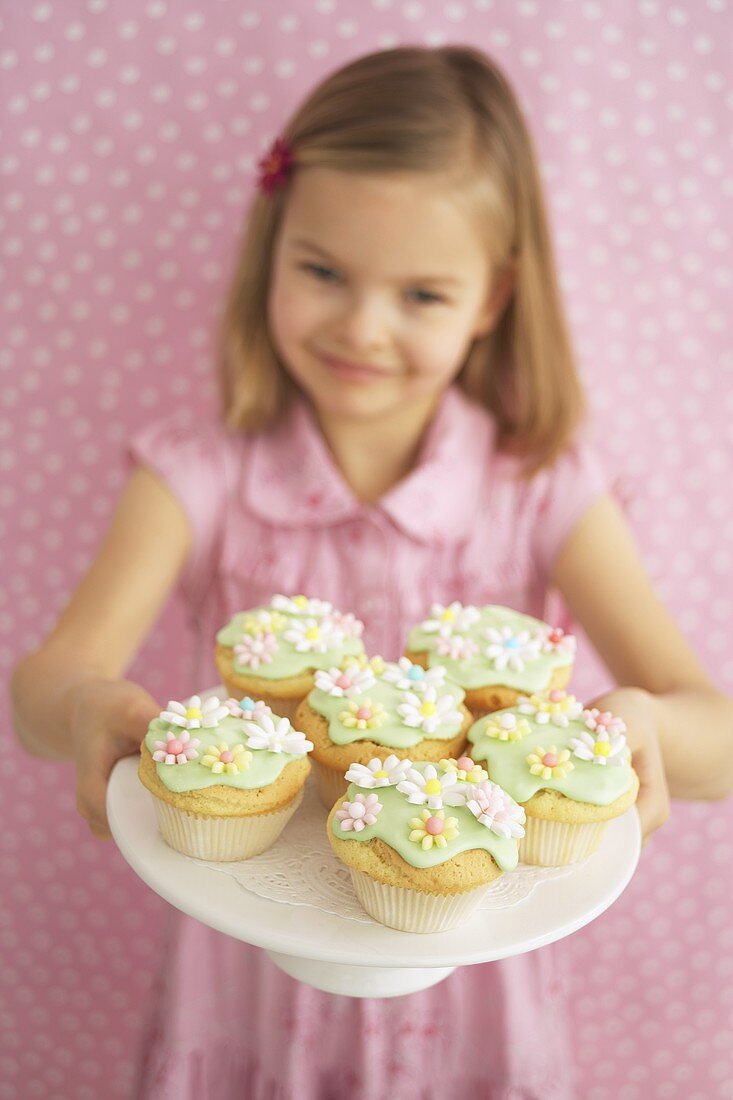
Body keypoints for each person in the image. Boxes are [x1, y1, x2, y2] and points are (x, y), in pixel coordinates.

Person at [10, 44, 733, 1100]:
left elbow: (716, 734)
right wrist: (83, 706)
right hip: (246, 988)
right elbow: (39, 685)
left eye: (423, 293)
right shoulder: (196, 474)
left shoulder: (545, 490)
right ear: (271, 250)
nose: (361, 326)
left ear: (492, 299)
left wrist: (645, 730)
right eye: (322, 271)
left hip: (481, 994)